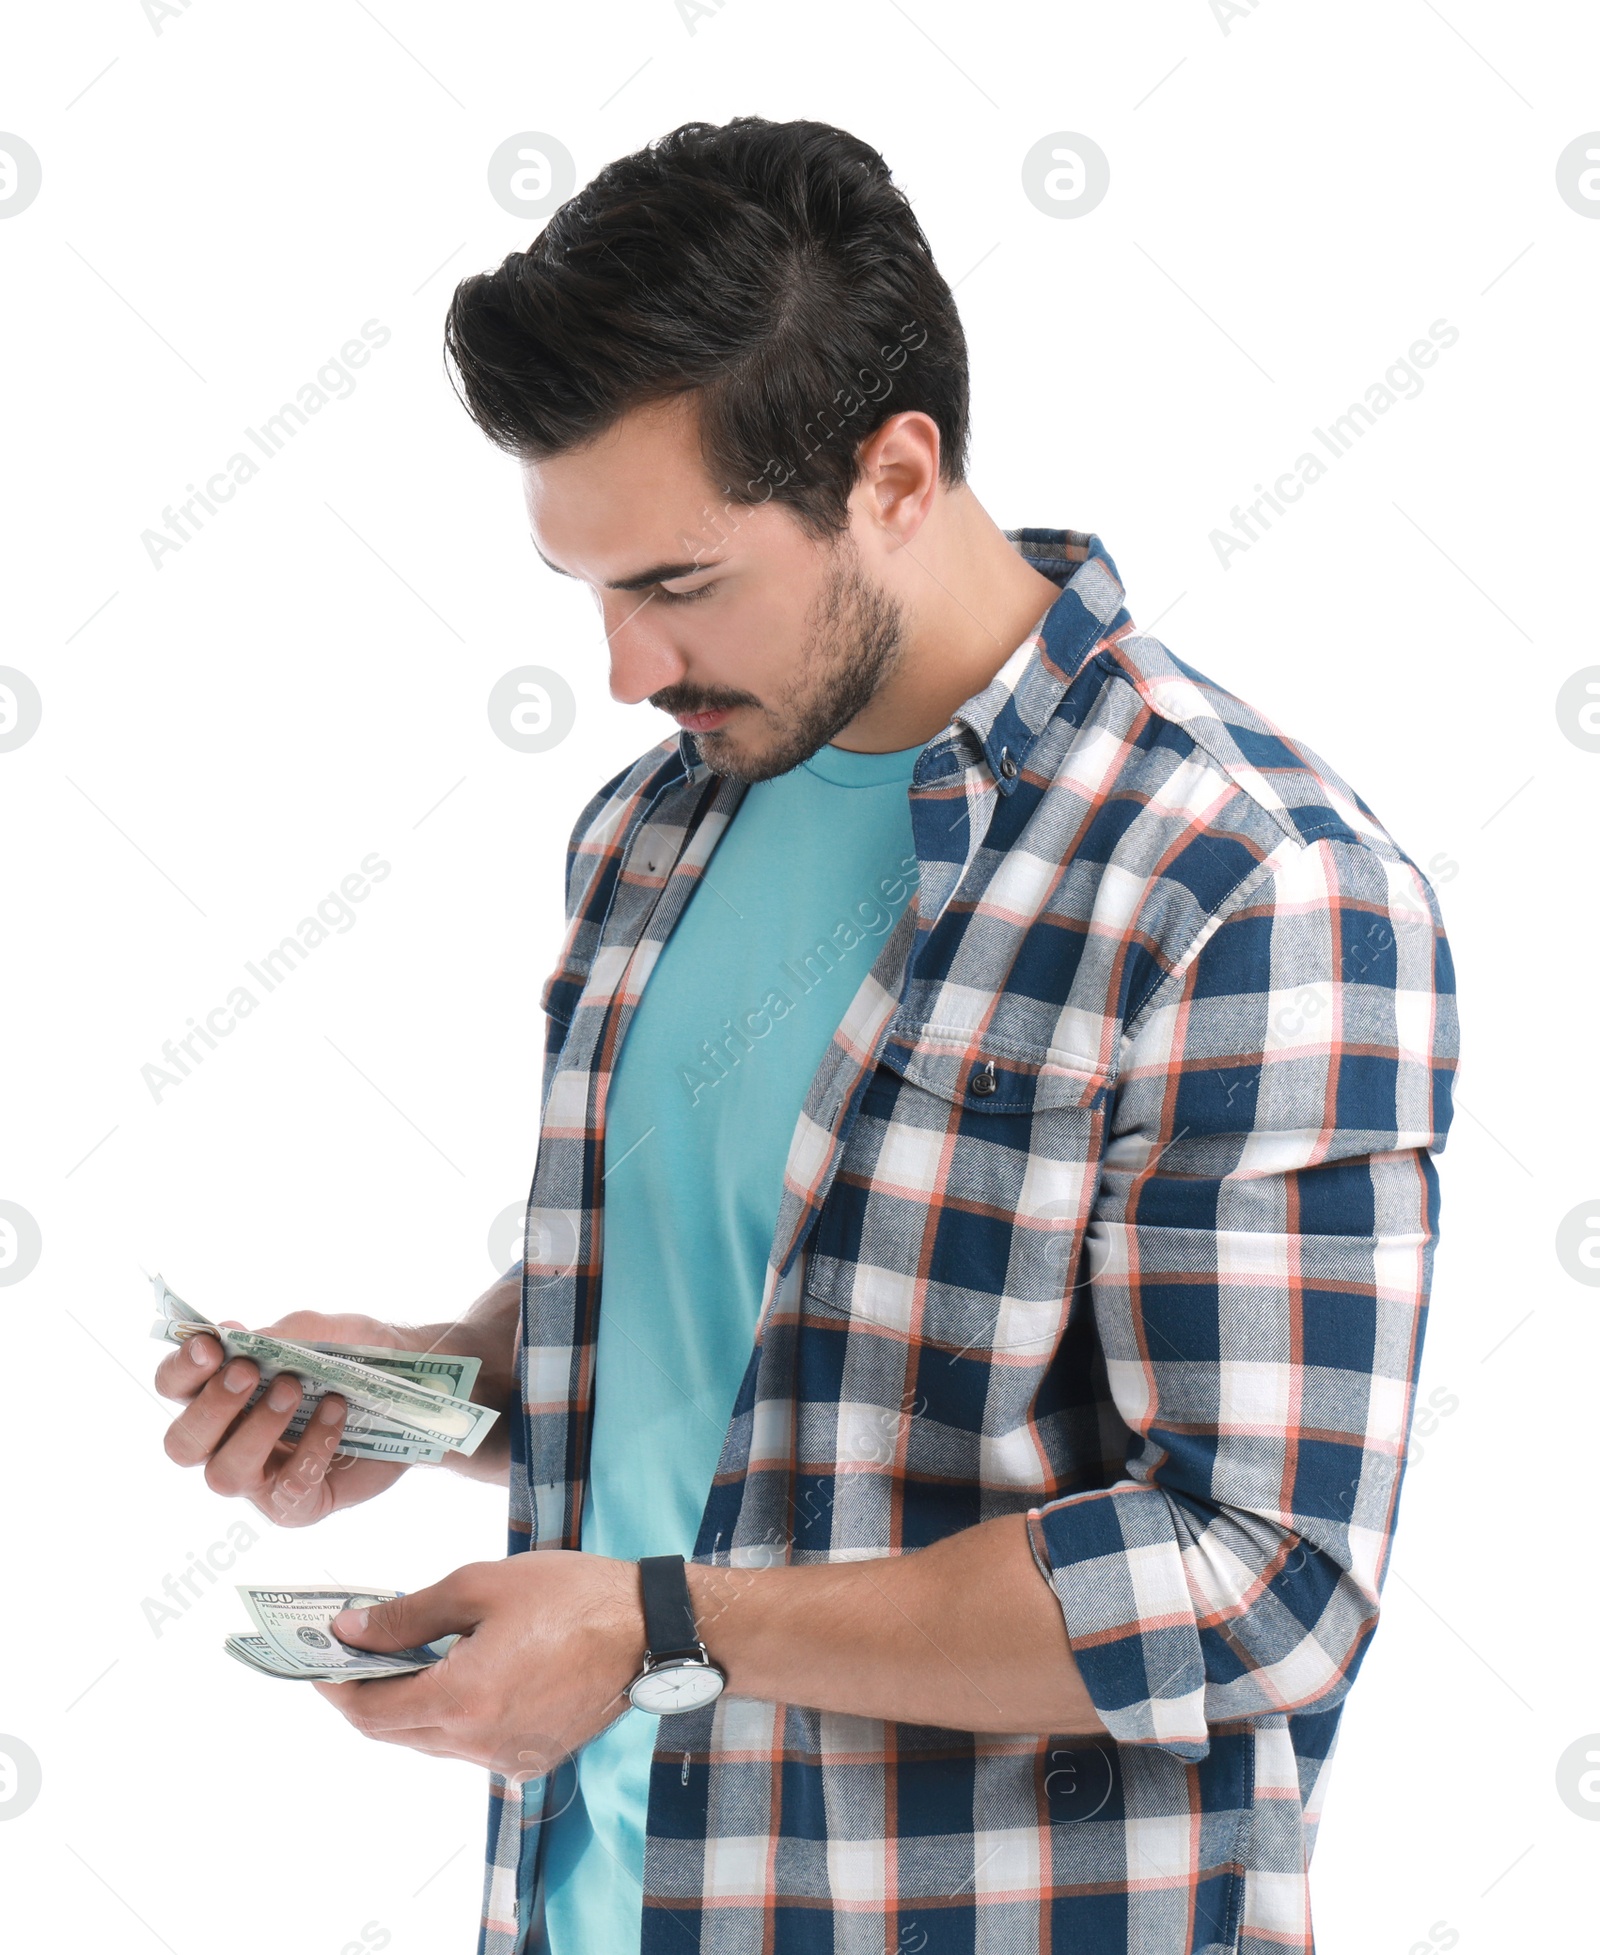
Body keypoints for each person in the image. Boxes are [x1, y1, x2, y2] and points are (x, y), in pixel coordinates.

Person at [155, 116, 1458, 1955]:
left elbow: (1258, 1586)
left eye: (677, 585)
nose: (622, 668)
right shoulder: (652, 829)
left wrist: (663, 1624)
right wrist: (437, 1387)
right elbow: (756, 1352)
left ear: (898, 473)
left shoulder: (1248, 889)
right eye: (589, 591)